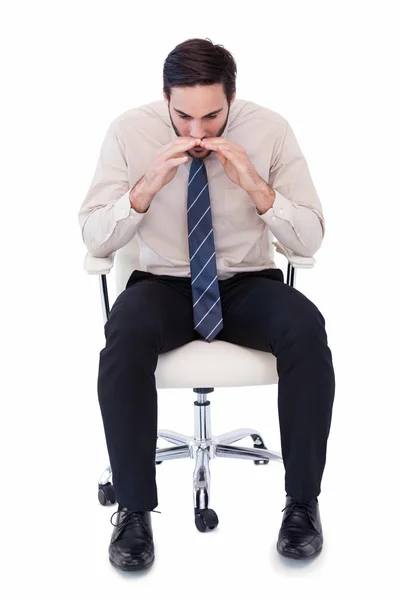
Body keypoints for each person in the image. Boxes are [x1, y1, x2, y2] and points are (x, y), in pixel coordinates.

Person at [78, 37, 335, 571]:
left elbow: (309, 238)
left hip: (246, 283)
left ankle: (303, 504)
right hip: (163, 284)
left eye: (213, 117)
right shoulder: (129, 131)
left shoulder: (270, 130)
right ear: (165, 98)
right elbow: (94, 237)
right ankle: (133, 509)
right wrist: (147, 185)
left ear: (232, 99)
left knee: (306, 328)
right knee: (124, 329)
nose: (197, 133)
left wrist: (255, 186)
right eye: (183, 116)